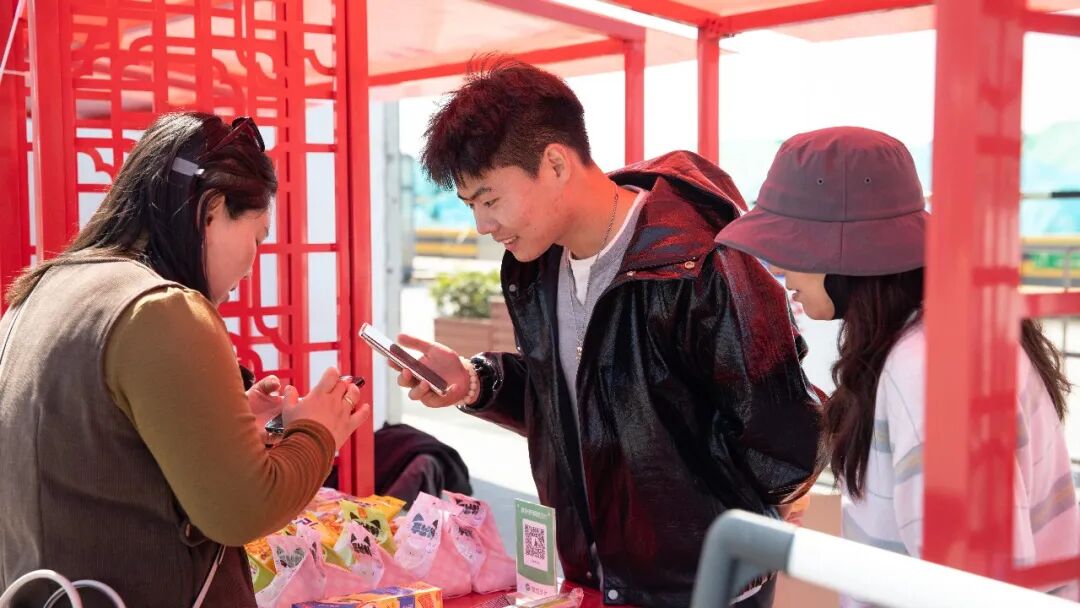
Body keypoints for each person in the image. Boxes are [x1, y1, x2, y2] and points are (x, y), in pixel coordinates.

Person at [393, 57, 823, 607]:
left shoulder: (699, 261)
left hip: (703, 588)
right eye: (471, 205)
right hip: (590, 578)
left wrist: (729, 527)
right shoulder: (535, 267)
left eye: (490, 199)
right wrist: (474, 381)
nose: (481, 225)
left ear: (554, 163)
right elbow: (578, 401)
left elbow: (782, 437)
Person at [0, 112, 369, 607]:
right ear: (212, 209)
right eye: (258, 236)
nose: (252, 264)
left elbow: (98, 452)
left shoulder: (42, 290)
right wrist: (317, 431)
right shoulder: (162, 309)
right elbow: (242, 510)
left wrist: (224, 424)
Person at [717, 126, 1080, 604]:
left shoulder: (925, 375)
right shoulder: (948, 331)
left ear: (845, 252)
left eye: (792, 247)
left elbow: (971, 590)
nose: (781, 271)